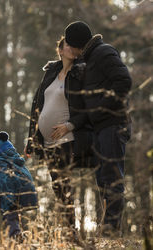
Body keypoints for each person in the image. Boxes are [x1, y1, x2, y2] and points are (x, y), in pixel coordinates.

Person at [64, 21, 132, 236]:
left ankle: (112, 230)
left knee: (112, 178)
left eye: (69, 44)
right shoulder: (88, 60)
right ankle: (108, 228)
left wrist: (102, 109)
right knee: (103, 178)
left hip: (113, 124)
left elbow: (124, 81)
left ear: (76, 44)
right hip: (100, 128)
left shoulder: (104, 52)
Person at [25, 36, 95, 232]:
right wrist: (32, 138)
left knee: (65, 186)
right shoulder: (50, 73)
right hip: (47, 142)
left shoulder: (80, 73)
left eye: (75, 44)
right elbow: (37, 105)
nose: (72, 47)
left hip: (67, 139)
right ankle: (67, 232)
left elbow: (88, 107)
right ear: (60, 50)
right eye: (67, 44)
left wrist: (70, 125)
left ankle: (71, 232)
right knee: (58, 188)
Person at [0, 131, 38, 238]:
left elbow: (3, 180)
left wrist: (8, 200)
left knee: (10, 218)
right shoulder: (14, 158)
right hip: (25, 191)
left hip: (11, 194)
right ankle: (20, 238)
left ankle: (16, 238)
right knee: (17, 218)